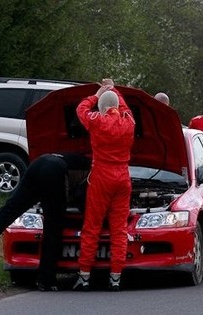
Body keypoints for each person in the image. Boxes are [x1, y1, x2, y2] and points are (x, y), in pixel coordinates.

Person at [0, 153, 90, 291]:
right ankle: (46, 280)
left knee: (10, 209)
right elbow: (81, 195)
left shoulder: (70, 156)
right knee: (53, 226)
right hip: (55, 171)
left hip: (38, 163)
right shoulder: (94, 168)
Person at [72, 80, 135, 292]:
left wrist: (97, 94)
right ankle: (116, 277)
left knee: (92, 226)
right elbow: (124, 107)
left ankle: (84, 275)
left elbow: (81, 109)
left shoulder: (97, 120)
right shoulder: (129, 122)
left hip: (101, 175)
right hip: (123, 176)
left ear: (101, 107)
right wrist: (113, 88)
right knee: (119, 229)